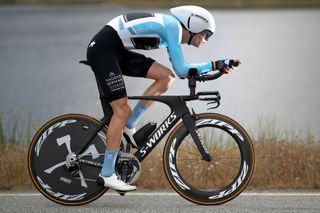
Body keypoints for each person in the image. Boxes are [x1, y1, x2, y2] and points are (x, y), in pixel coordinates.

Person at [86, 5, 241, 192]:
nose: (206, 40)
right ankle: (107, 174)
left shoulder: (171, 30)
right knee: (122, 110)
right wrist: (216, 64)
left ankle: (129, 125)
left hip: (116, 50)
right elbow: (182, 69)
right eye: (206, 34)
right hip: (104, 50)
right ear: (194, 25)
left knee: (166, 77)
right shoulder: (173, 27)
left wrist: (214, 66)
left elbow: (177, 72)